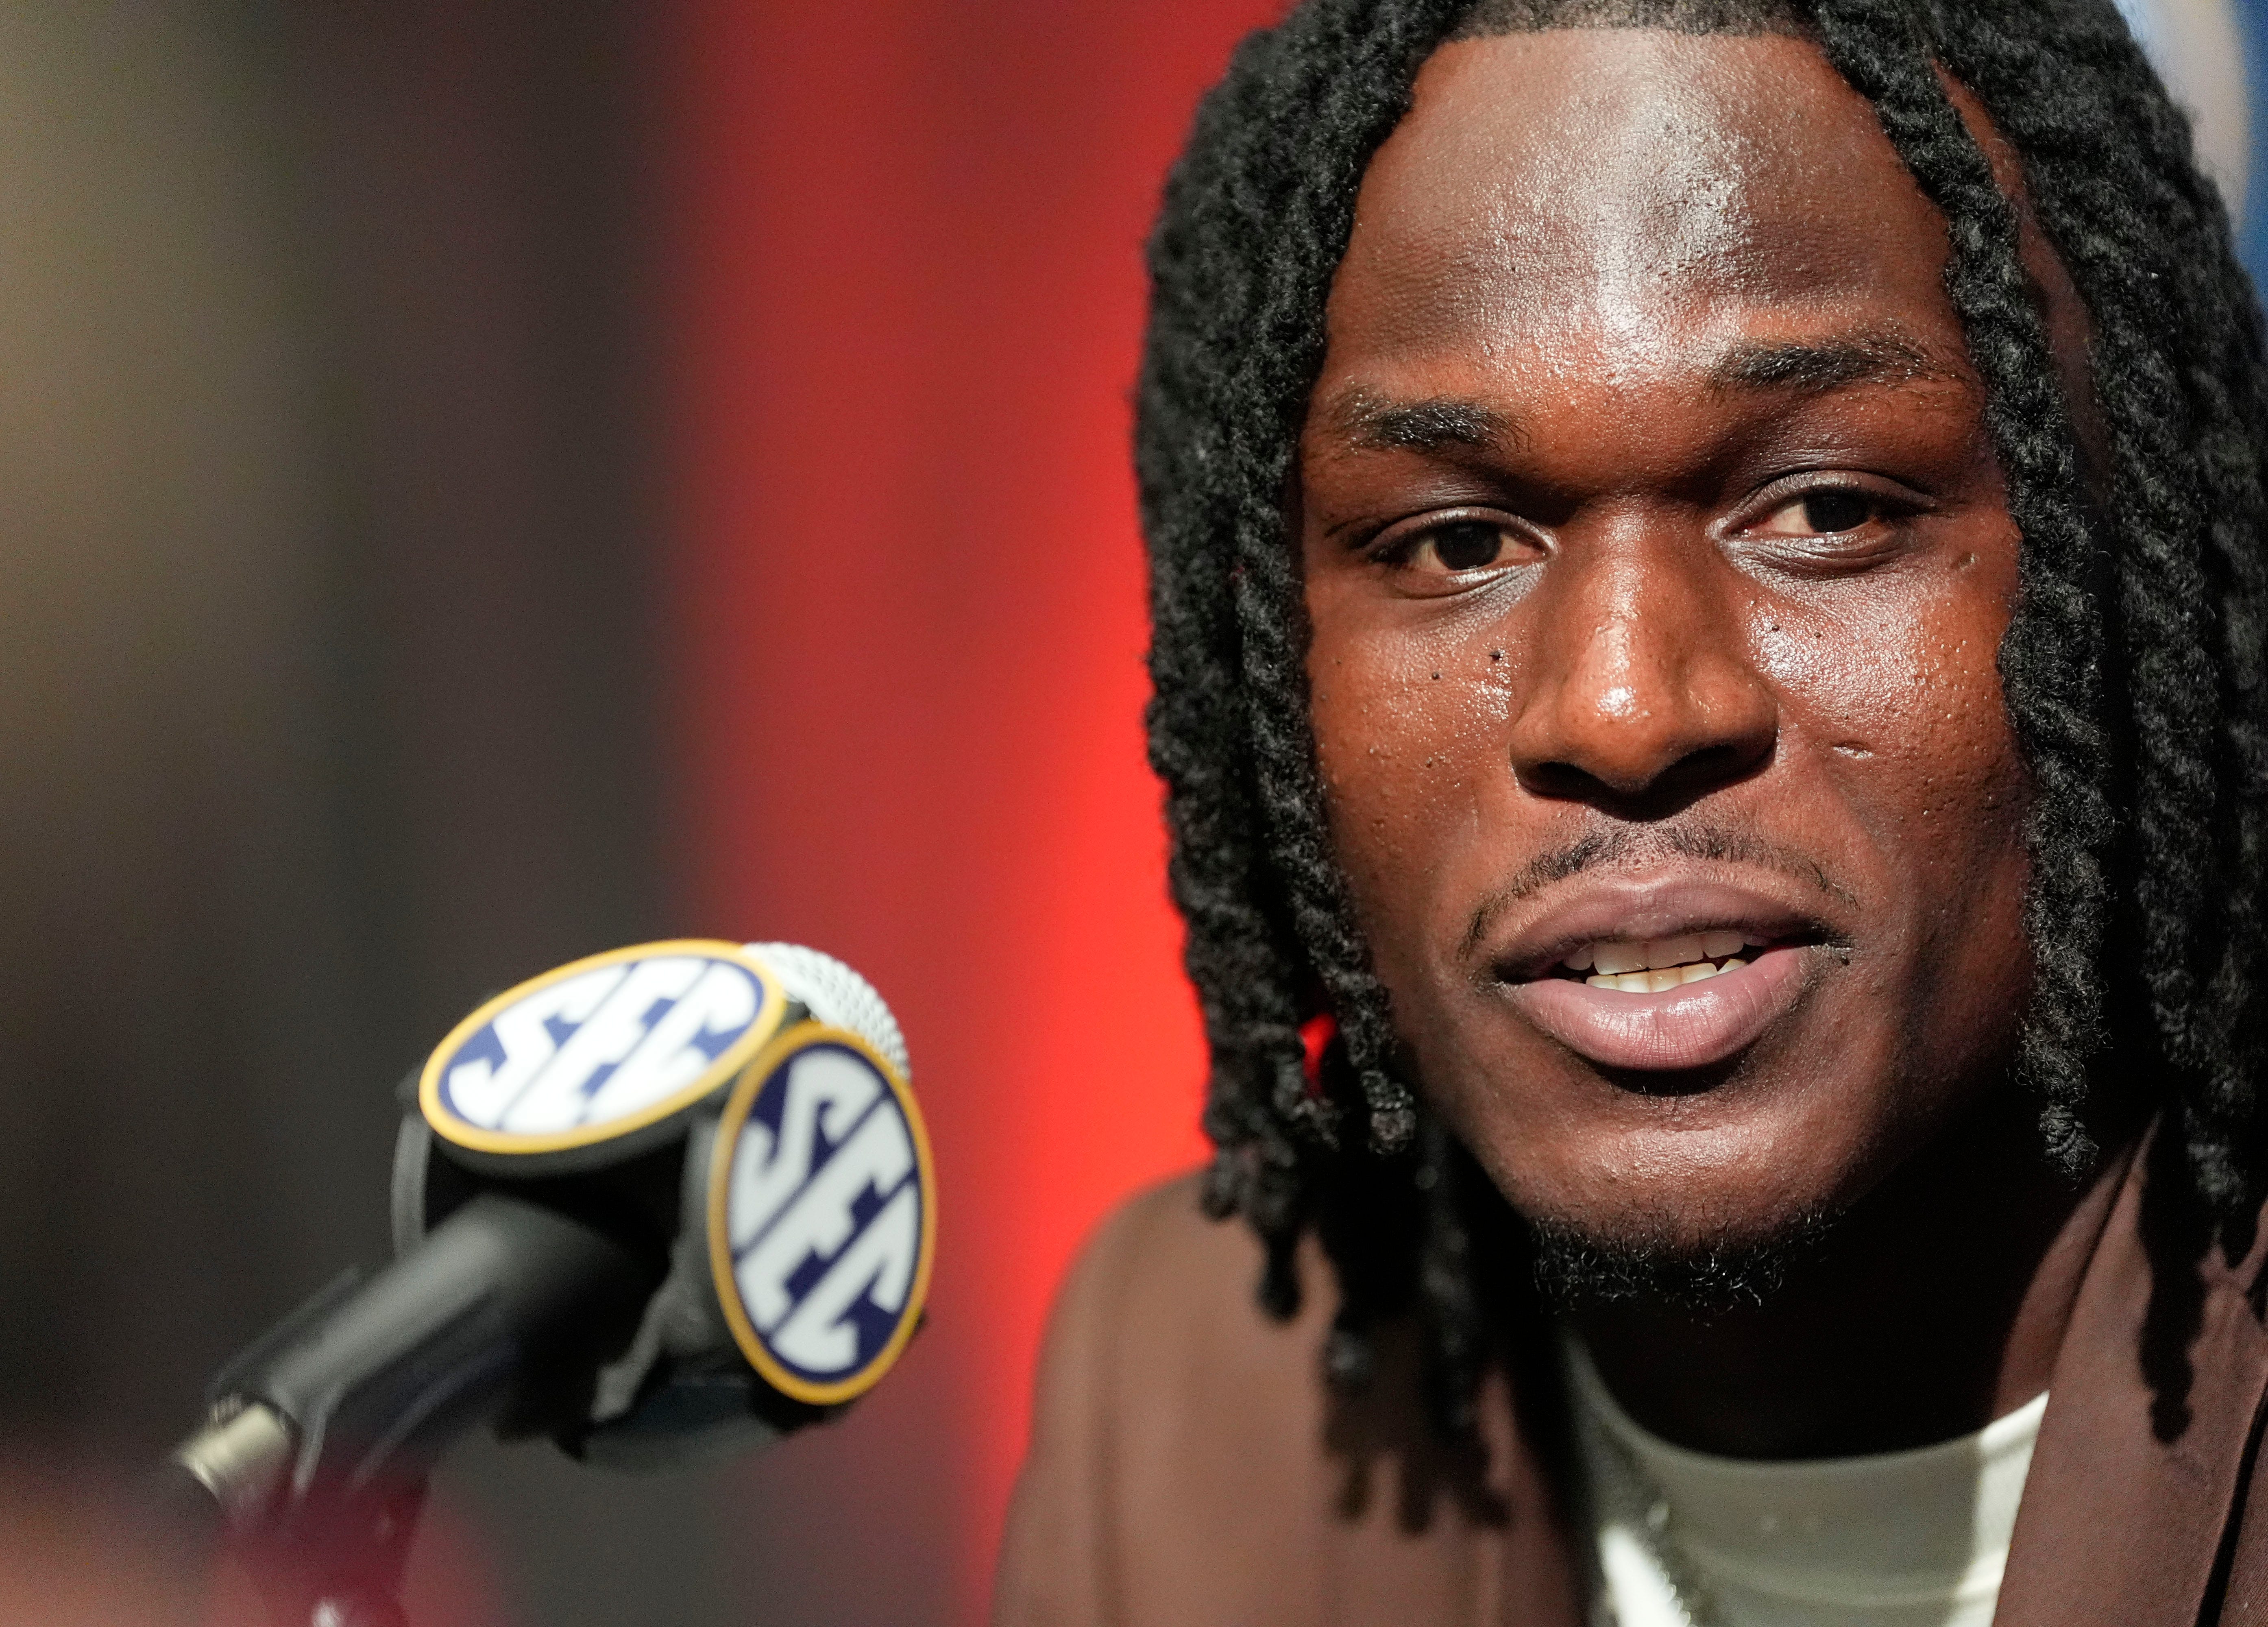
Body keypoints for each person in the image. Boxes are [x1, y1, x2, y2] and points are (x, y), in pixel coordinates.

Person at [991, 0, 2268, 1623]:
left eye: (1825, 509)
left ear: (2137, 572)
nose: (1621, 708)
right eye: (1458, 546)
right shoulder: (1197, 1395)